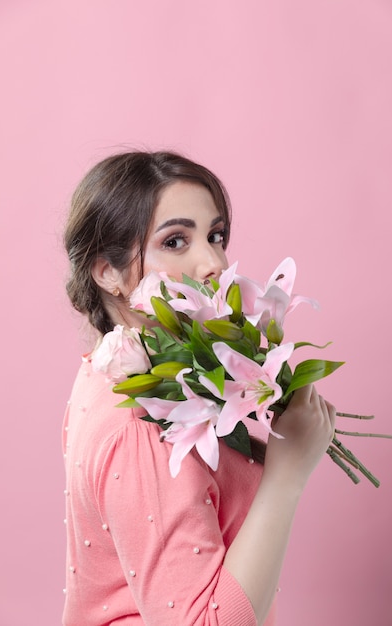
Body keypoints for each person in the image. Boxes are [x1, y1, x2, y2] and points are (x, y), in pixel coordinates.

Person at [62, 150, 336, 626]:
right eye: (175, 240)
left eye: (215, 235)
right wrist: (287, 474)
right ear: (107, 270)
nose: (213, 262)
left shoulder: (110, 373)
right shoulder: (138, 419)